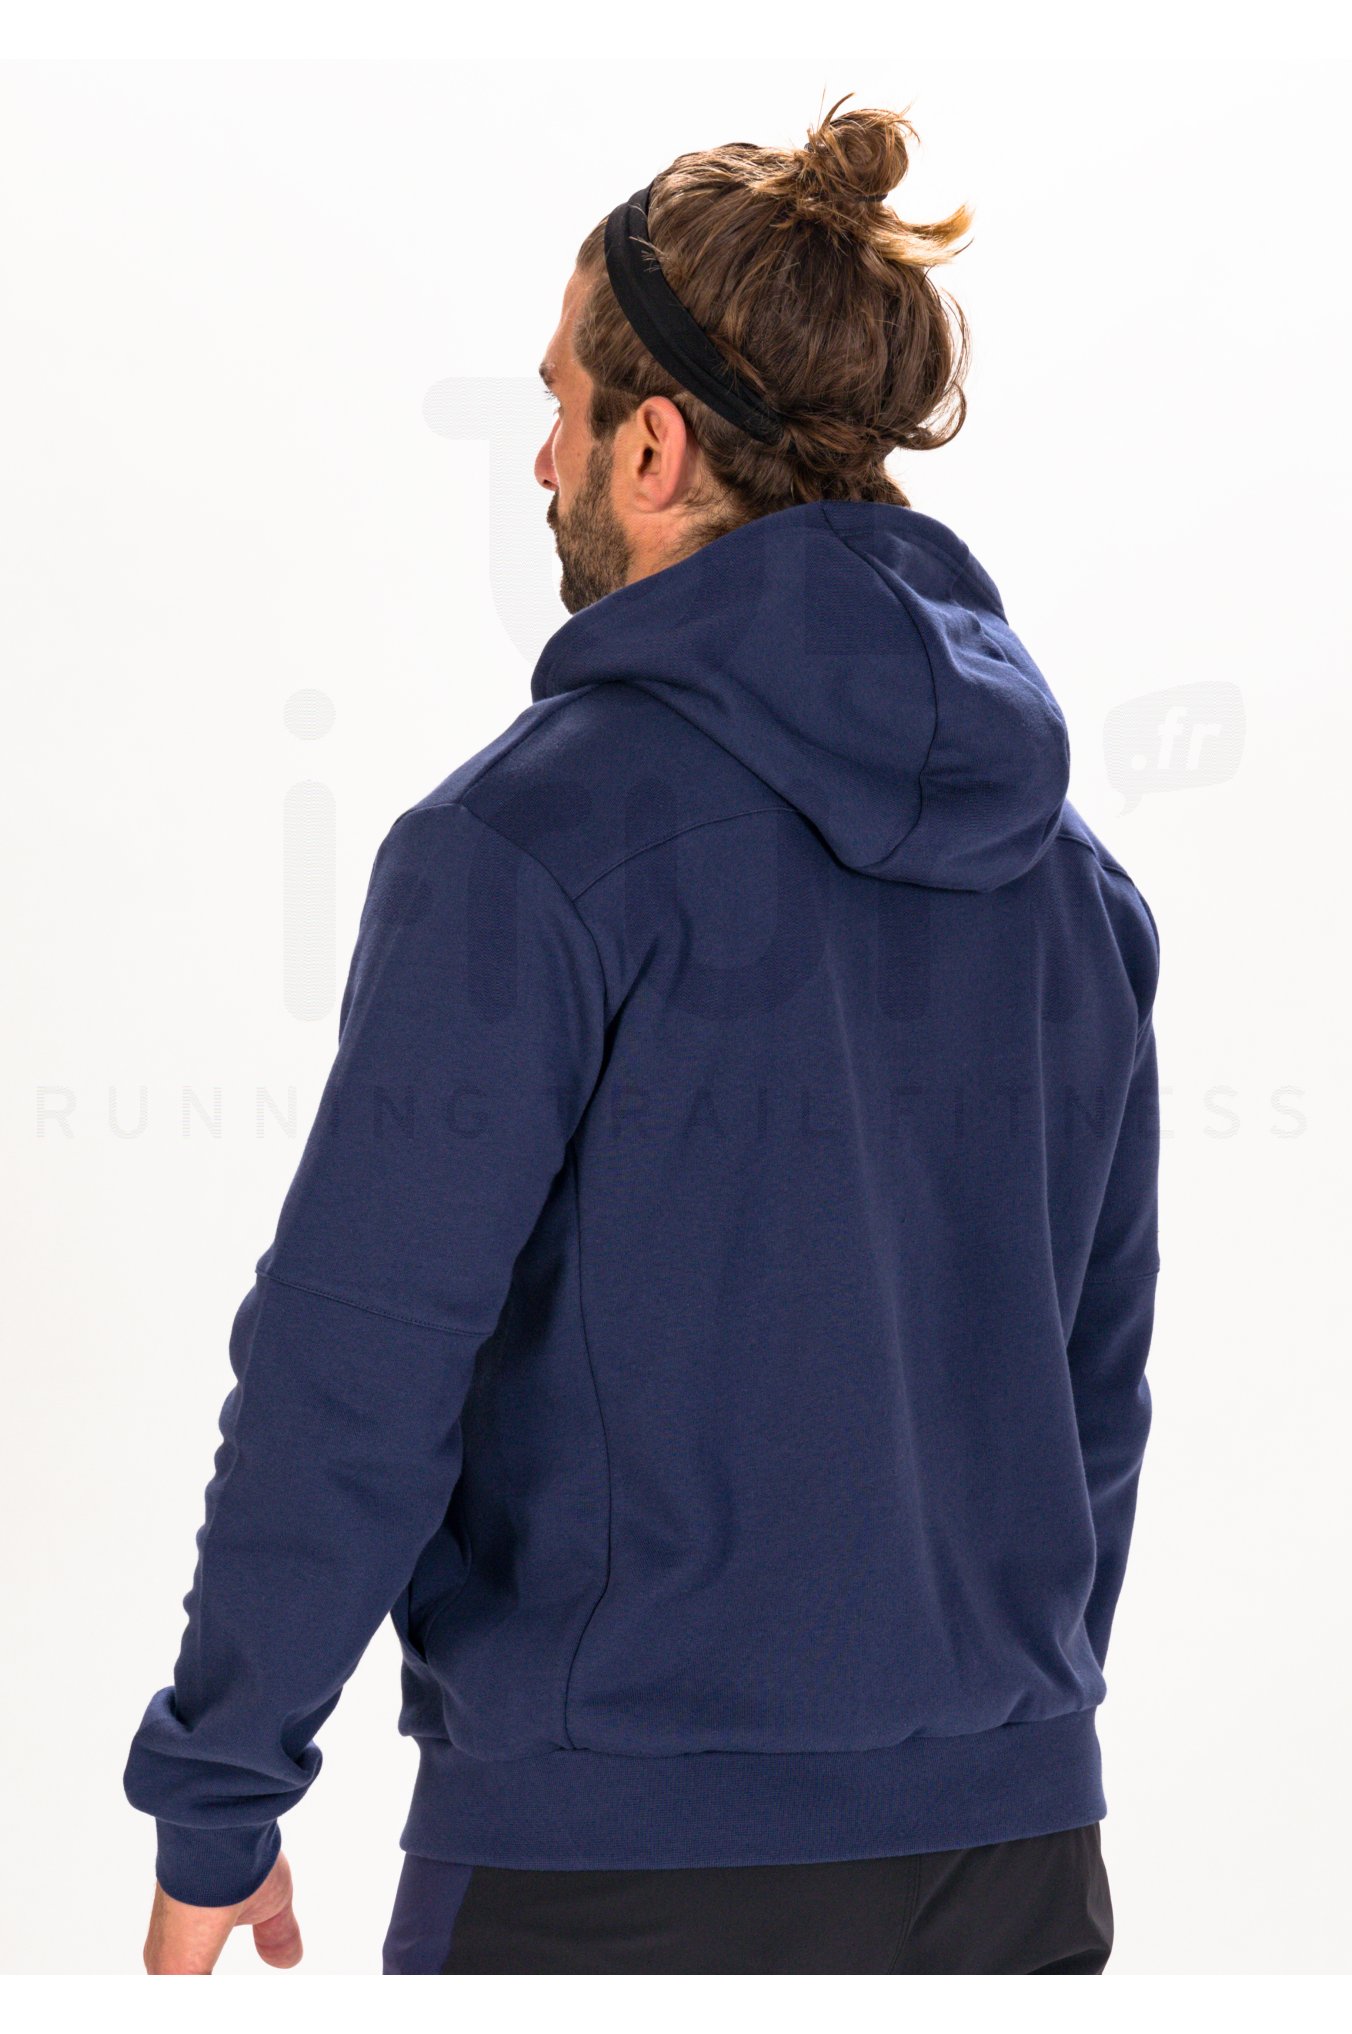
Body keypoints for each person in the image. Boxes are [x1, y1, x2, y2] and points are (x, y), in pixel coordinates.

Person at [126, 100, 1159, 1976]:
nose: (542, 456)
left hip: (617, 1878)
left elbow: (358, 1364)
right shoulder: (1073, 885)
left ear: (656, 445)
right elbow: (1093, 1388)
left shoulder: (521, 848)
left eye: (562, 405)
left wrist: (221, 1792)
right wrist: (992, 1723)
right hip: (1017, 1864)